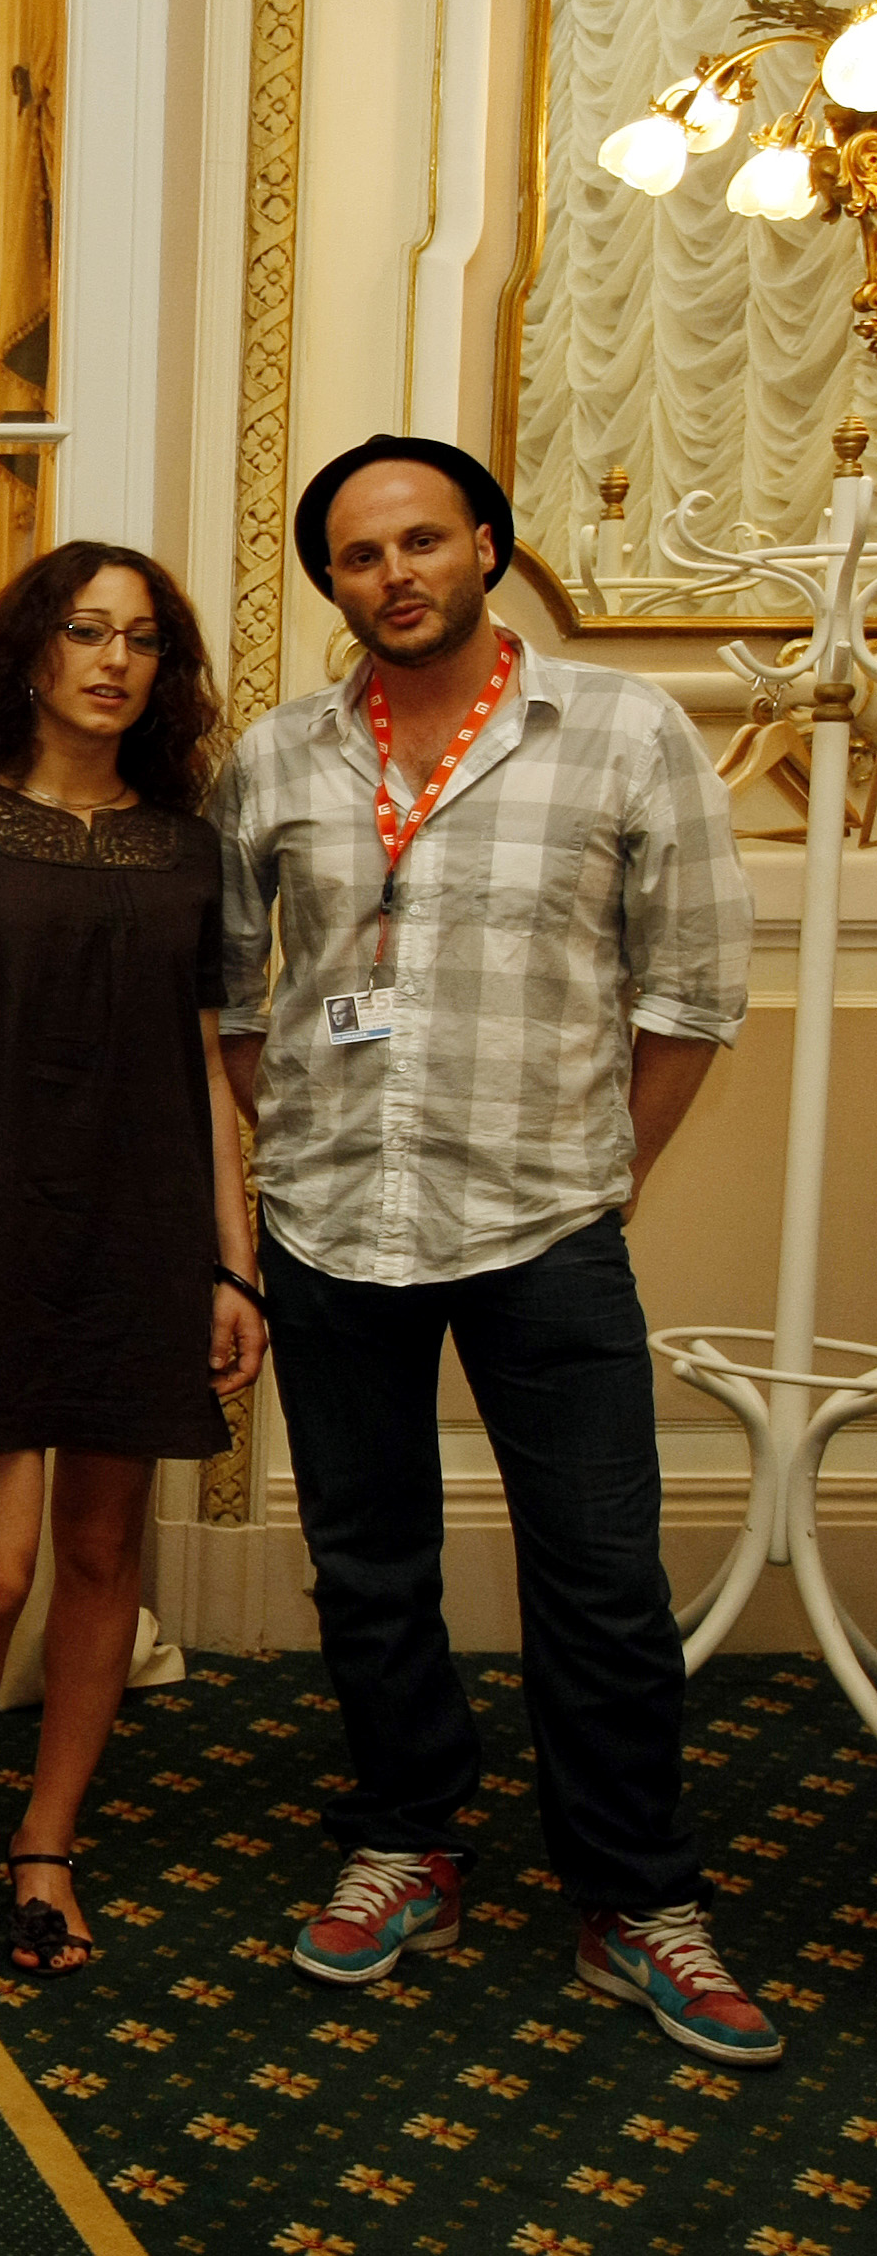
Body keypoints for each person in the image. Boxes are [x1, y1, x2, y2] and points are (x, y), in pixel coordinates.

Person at [218, 434, 778, 2066]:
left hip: (544, 1225)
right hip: (334, 1222)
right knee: (369, 1560)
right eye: (358, 555)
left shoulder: (622, 729)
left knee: (599, 1576)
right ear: (333, 584)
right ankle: (407, 1839)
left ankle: (638, 1897)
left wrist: (610, 1174)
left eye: (420, 540)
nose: (392, 574)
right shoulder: (278, 756)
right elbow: (237, 996)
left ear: (487, 545)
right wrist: (293, 1143)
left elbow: (693, 990)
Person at [0, 544, 266, 1989]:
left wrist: (235, 1268)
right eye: (86, 631)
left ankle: (46, 1843)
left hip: (145, 1235)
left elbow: (206, 1067)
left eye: (143, 639)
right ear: (30, 652)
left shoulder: (189, 845)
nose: (114, 661)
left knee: (105, 1557)